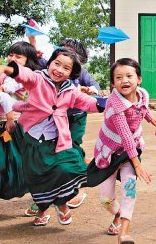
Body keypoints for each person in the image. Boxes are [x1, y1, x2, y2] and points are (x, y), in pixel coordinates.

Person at [0, 48, 105, 226]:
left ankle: (62, 204)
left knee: (69, 168)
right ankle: (46, 209)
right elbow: (25, 75)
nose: (59, 69)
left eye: (66, 68)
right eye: (56, 64)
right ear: (49, 64)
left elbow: (86, 102)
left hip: (57, 140)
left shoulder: (70, 90)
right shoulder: (38, 79)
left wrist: (106, 103)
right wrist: (5, 68)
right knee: (37, 177)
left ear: (71, 73)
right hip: (32, 139)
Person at [89, 58, 156, 244]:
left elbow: (141, 109)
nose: (124, 81)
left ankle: (124, 234)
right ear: (113, 83)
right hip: (110, 152)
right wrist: (138, 165)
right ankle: (118, 214)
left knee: (129, 189)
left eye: (129, 76)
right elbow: (125, 137)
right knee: (105, 198)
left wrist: (152, 120)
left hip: (130, 153)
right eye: (118, 77)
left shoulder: (141, 95)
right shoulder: (114, 105)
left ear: (139, 79)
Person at [25, 38, 101, 213]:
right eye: (60, 53)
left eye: (70, 57)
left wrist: (91, 91)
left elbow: (94, 85)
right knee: (51, 154)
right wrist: (33, 45)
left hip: (76, 117)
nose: (62, 65)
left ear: (78, 61)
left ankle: (76, 189)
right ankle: (46, 194)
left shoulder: (81, 73)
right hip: (55, 120)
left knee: (71, 149)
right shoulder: (49, 68)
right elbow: (33, 63)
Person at [0, 42, 39, 201]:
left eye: (18, 56)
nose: (12, 58)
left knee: (23, 162)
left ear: (27, 60)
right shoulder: (4, 76)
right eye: (11, 54)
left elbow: (6, 91)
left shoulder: (22, 75)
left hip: (14, 124)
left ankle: (39, 197)